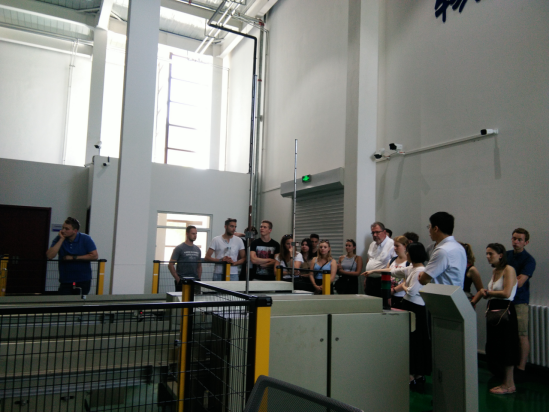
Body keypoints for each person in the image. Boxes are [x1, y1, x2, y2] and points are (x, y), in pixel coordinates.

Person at [363, 243, 431, 389]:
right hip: (409, 307)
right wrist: (373, 271)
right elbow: (392, 271)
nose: (406, 254)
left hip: (416, 309)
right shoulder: (411, 268)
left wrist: (404, 286)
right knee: (410, 341)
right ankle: (413, 373)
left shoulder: (421, 271)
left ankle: (416, 374)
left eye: (408, 252)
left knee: (416, 341)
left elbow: (411, 291)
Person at [471, 243, 519, 395]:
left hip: (505, 311)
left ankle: (509, 384)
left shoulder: (509, 269)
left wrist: (487, 292)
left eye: (490, 253)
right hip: (494, 310)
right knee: (496, 346)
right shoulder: (495, 271)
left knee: (507, 346)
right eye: (487, 253)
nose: (488, 256)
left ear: (500, 255)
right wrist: (487, 293)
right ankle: (504, 381)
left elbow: (506, 293)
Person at [506, 228, 536, 378]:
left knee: (521, 335)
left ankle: (521, 368)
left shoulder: (529, 260)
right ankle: (507, 366)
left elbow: (519, 283)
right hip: (505, 300)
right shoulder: (506, 255)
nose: (516, 242)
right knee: (507, 335)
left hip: (519, 301)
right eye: (514, 238)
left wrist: (505, 281)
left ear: (526, 242)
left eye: (519, 240)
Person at [46, 217, 98, 295]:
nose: (63, 231)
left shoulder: (85, 239)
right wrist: (61, 239)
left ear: (75, 231)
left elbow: (94, 256)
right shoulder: (59, 238)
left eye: (67, 229)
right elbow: (50, 256)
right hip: (65, 280)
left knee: (80, 301)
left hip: (83, 280)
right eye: (63, 228)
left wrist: (74, 258)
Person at [418, 212, 467, 286]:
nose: (429, 231)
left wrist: (423, 273)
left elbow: (424, 280)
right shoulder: (459, 247)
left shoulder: (442, 251)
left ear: (435, 229)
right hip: (455, 291)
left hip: (441, 292)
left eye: (429, 227)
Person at [363, 222, 396, 297]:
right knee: (369, 301)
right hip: (370, 280)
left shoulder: (392, 244)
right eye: (373, 233)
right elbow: (370, 260)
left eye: (377, 232)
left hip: (383, 279)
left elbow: (394, 265)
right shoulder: (372, 244)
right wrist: (366, 278)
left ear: (384, 232)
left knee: (381, 302)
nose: (375, 235)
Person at [168, 226, 202, 291]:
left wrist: (199, 279)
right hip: (182, 280)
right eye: (193, 233)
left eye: (196, 234)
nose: (195, 236)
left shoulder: (197, 249)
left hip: (194, 280)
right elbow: (170, 265)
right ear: (187, 234)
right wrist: (178, 279)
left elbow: (199, 266)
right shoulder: (179, 248)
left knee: (195, 297)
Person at [387, 236, 410, 308]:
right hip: (390, 295)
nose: (394, 248)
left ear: (405, 246)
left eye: (397, 246)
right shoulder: (392, 260)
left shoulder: (409, 262)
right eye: (394, 246)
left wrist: (394, 290)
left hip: (402, 295)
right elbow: (386, 276)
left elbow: (408, 281)